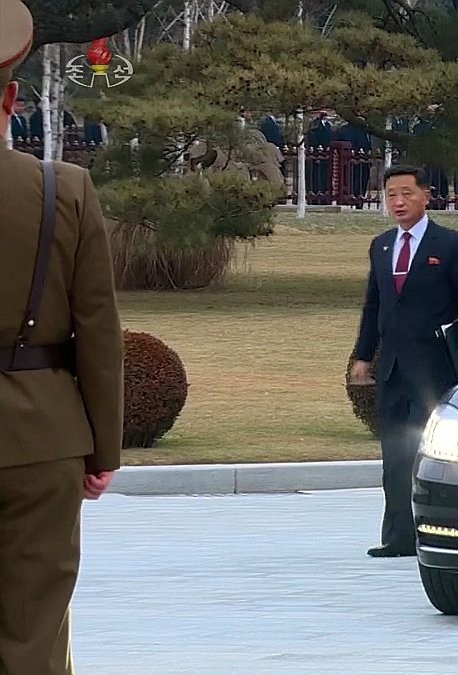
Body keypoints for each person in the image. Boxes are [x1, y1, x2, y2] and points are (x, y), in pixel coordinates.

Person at [0, 1, 124, 670]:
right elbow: (99, 332)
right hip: (43, 440)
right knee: (34, 634)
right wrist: (102, 446)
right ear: (14, 97)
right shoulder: (65, 189)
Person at [350, 165, 458, 558]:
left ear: (426, 195)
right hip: (392, 368)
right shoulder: (381, 246)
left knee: (440, 454)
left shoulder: (450, 243)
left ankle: (447, 531)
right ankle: (398, 535)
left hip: (435, 366)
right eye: (391, 194)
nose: (398, 201)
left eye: (407, 193)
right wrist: (363, 356)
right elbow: (373, 304)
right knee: (394, 454)